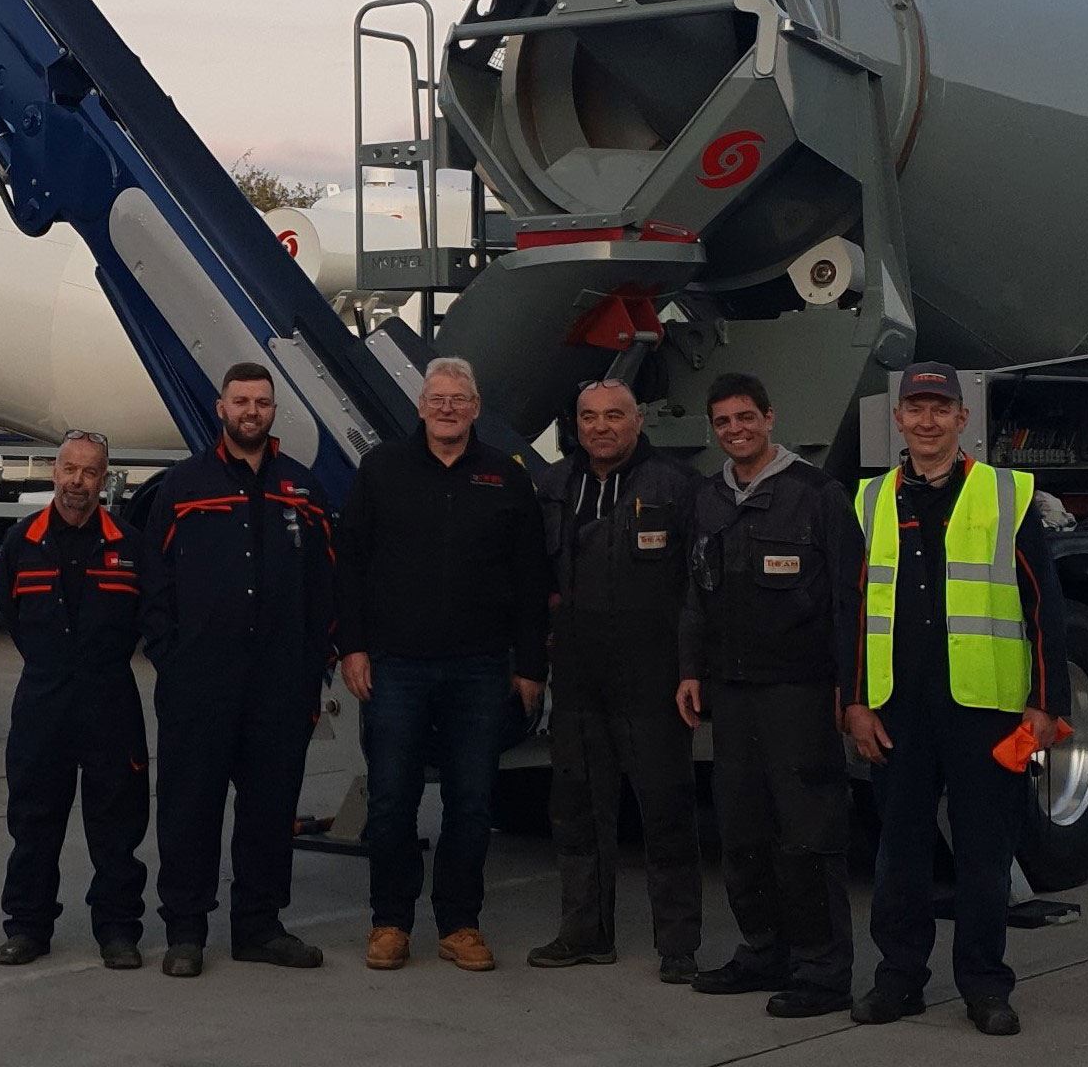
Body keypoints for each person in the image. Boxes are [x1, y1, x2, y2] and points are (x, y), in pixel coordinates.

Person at [843, 362, 1070, 1038]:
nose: (928, 420)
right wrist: (856, 705)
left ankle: (984, 986)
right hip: (897, 711)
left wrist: (1045, 704)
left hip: (988, 709)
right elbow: (854, 613)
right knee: (900, 856)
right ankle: (898, 981)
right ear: (898, 418)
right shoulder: (869, 500)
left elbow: (1043, 608)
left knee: (983, 857)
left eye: (941, 408)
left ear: (962, 418)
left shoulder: (1009, 495)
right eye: (916, 407)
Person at [335, 355, 551, 974]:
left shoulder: (504, 479)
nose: (448, 408)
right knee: (391, 800)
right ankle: (390, 923)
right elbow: (348, 564)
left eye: (460, 398)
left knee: (473, 801)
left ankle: (459, 923)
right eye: (437, 398)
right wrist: (352, 647)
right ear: (421, 406)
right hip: (396, 667)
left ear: (476, 408)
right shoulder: (381, 470)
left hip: (481, 670)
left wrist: (530, 665)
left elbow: (531, 579)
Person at [674, 372, 862, 1020]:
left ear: (770, 418)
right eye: (723, 422)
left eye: (745, 418)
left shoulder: (818, 496)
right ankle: (763, 950)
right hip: (731, 695)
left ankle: (823, 968)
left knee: (806, 831)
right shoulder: (706, 500)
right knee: (742, 828)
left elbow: (850, 601)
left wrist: (852, 690)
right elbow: (695, 594)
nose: (736, 430)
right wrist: (689, 670)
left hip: (800, 693)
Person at [140, 362, 334, 977]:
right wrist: (172, 658)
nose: (251, 411)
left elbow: (327, 586)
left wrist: (310, 665)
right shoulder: (182, 487)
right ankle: (186, 931)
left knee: (269, 810)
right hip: (199, 686)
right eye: (241, 401)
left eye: (262, 402)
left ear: (274, 411)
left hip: (279, 687)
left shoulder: (301, 490)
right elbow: (153, 585)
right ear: (220, 408)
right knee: (188, 808)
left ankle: (259, 926)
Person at [527, 378, 703, 981]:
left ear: (638, 421)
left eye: (614, 416)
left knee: (665, 811)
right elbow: (530, 583)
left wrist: (689, 667)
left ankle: (677, 945)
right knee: (576, 812)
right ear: (575, 424)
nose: (601, 427)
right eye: (588, 417)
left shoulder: (678, 488)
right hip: (577, 679)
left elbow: (695, 592)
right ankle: (584, 932)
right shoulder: (553, 487)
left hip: (652, 678)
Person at [0, 430, 148, 969]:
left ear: (104, 481)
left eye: (89, 473)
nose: (76, 483)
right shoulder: (20, 543)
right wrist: (52, 665)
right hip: (43, 695)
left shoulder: (130, 546)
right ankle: (28, 927)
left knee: (117, 819)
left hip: (109, 695)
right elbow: (12, 618)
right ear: (53, 472)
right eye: (68, 469)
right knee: (34, 816)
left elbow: (144, 623)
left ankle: (119, 931)